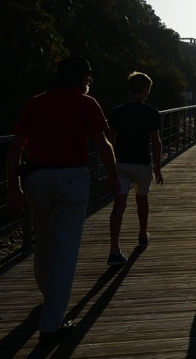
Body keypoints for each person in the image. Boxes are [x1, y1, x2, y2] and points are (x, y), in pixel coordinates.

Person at [7, 55, 120, 344]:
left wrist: (12, 187)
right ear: (80, 78)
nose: (89, 82)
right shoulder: (86, 103)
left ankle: (49, 301)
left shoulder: (36, 103)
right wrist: (113, 176)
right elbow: (102, 143)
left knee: (43, 243)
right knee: (65, 251)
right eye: (87, 77)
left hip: (37, 179)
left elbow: (17, 146)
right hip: (71, 179)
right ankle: (51, 323)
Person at [106, 71, 164, 265]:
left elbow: (109, 140)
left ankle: (114, 249)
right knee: (142, 199)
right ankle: (141, 233)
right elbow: (156, 143)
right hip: (142, 163)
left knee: (118, 206)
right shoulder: (152, 113)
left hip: (121, 163)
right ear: (146, 90)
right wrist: (158, 167)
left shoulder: (117, 111)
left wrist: (110, 166)